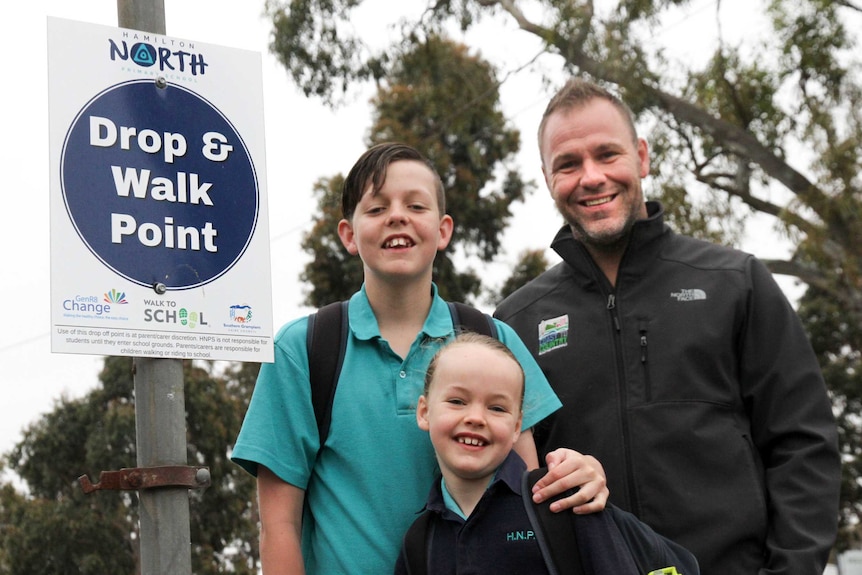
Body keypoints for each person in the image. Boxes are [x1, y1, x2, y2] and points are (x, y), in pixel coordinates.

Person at [494, 77, 841, 575]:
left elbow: (803, 444)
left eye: (607, 154)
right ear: (547, 177)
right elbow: (510, 486)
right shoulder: (516, 323)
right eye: (568, 164)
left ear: (641, 157)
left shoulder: (736, 284)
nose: (591, 177)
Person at [231, 142, 608, 574]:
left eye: (415, 205)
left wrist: (581, 474)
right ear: (349, 235)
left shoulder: (493, 339)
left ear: (443, 230)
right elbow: (278, 526)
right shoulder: (303, 350)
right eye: (376, 209)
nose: (397, 216)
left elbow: (525, 494)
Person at [394, 332, 699, 575]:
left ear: (517, 427)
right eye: (458, 401)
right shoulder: (420, 542)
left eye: (497, 407)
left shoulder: (561, 502)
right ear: (424, 412)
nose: (476, 417)